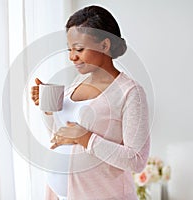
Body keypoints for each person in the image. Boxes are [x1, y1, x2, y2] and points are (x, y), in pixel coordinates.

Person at [31, 5, 150, 200]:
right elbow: (57, 136)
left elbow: (136, 160)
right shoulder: (76, 84)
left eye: (79, 49)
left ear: (104, 45)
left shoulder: (130, 92)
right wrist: (47, 107)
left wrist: (85, 138)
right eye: (69, 49)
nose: (72, 56)